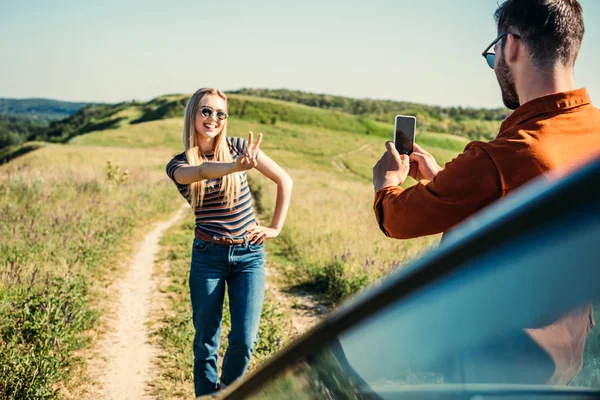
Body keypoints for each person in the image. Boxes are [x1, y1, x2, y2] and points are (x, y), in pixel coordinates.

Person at [372, 0, 597, 385]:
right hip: (566, 361)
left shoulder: (509, 153)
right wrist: (441, 178)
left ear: (510, 46)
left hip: (494, 366)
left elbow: (399, 219)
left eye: (493, 55)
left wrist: (387, 183)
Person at [165, 88, 293, 396]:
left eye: (220, 113)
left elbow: (284, 180)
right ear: (193, 114)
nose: (213, 119)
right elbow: (203, 170)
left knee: (245, 340)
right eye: (206, 111)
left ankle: (227, 391)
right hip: (208, 255)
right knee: (206, 340)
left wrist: (275, 227)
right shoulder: (178, 164)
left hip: (249, 256)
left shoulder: (238, 147)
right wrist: (237, 167)